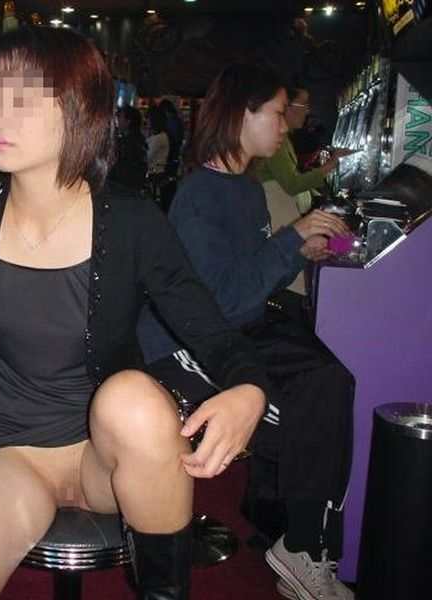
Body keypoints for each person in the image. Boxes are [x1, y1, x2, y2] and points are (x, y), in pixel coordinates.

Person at [0, 27, 272, 600]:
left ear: (78, 109)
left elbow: (211, 330)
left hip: (105, 456)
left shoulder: (132, 222)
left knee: (132, 398)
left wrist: (250, 389)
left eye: (23, 100)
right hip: (6, 454)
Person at [137, 63, 355, 600]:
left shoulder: (246, 187)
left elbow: (250, 279)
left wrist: (296, 250)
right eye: (277, 114)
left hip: (236, 330)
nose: (284, 126)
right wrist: (290, 240)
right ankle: (303, 547)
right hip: (186, 344)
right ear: (242, 115)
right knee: (313, 403)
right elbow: (217, 302)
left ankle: (277, 522)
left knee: (331, 379)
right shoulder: (199, 196)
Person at [256, 85, 350, 216]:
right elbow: (292, 184)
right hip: (277, 211)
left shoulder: (285, 139)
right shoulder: (276, 141)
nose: (307, 111)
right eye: (304, 104)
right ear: (287, 107)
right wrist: (330, 165)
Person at [109, 105, 148, 191]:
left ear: (128, 121)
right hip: (136, 185)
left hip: (123, 186)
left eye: (120, 117)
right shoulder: (140, 139)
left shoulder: (127, 142)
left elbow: (119, 167)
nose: (118, 121)